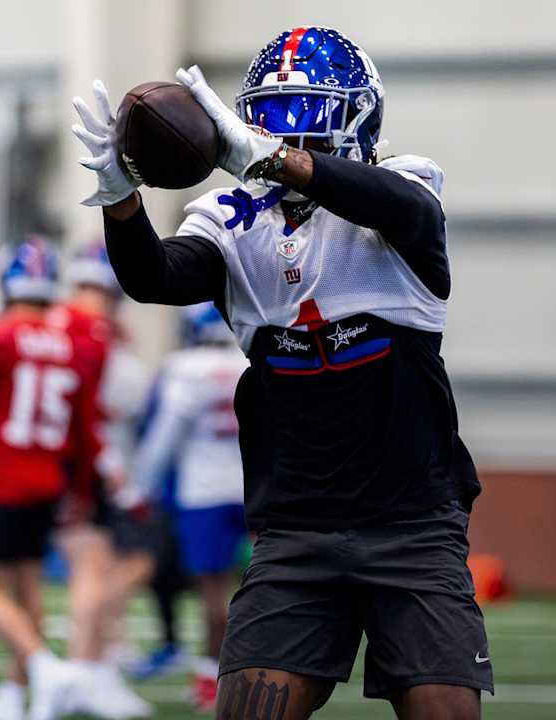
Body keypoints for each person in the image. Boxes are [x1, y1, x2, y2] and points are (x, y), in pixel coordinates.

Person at [71, 25, 491, 719]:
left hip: (412, 525)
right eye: (272, 121)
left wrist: (274, 160)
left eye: (306, 122)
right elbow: (154, 277)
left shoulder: (403, 189)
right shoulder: (231, 220)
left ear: (359, 119)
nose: (287, 138)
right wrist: (121, 199)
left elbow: (402, 206)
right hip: (297, 531)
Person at [0, 237, 103, 720]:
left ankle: (44, 668)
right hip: (48, 478)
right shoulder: (72, 344)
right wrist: (81, 488)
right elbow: (83, 426)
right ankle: (18, 695)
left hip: (2, 480)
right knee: (27, 587)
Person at [46, 241, 152, 718]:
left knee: (101, 566)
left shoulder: (68, 325)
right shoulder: (89, 333)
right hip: (80, 461)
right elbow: (91, 412)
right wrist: (113, 472)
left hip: (68, 457)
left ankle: (89, 664)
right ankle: (78, 670)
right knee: (95, 567)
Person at [131, 302, 250, 711]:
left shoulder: (183, 368)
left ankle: (208, 678)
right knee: (259, 589)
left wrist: (140, 486)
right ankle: (260, 669)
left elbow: (166, 432)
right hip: (252, 488)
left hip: (203, 491)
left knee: (212, 595)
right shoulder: (246, 361)